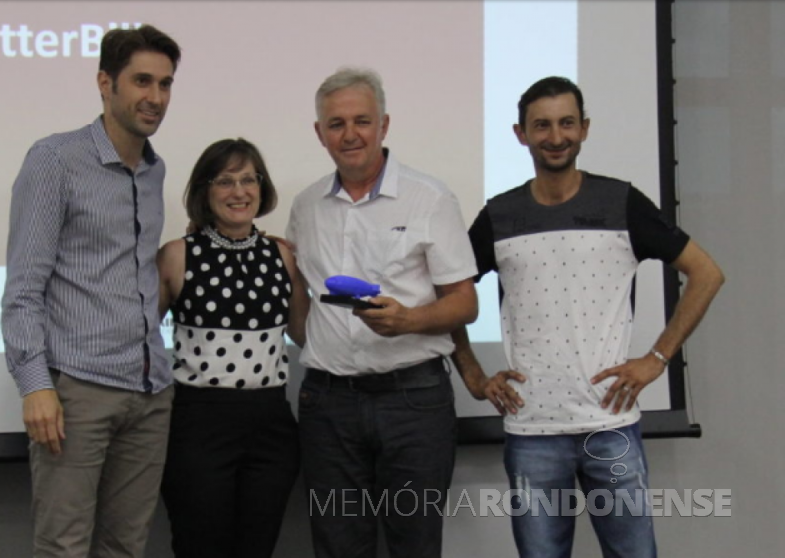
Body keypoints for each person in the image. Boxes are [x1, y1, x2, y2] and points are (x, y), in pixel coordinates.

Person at [451, 76, 725, 557]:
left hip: (611, 426)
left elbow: (707, 274)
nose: (556, 136)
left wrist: (657, 358)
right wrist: (472, 373)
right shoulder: (500, 215)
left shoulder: (621, 202)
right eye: (542, 125)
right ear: (521, 134)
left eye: (566, 123)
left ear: (585, 128)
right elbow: (448, 294)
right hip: (531, 432)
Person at [0, 25, 181, 558]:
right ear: (106, 83)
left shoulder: (154, 171)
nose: (155, 97)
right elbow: (23, 288)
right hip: (77, 392)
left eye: (165, 84)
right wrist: (35, 385)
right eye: (142, 81)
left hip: (149, 392)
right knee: (65, 547)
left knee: (125, 546)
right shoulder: (55, 160)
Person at [286, 67, 479, 558]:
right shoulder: (306, 207)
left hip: (412, 403)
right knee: (337, 548)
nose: (350, 134)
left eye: (362, 121)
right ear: (319, 133)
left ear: (384, 125)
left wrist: (409, 321)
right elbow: (302, 304)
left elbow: (466, 303)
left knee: (415, 547)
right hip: (328, 406)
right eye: (336, 124)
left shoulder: (429, 198)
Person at [155, 138, 308, 558]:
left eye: (248, 179)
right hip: (199, 427)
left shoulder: (283, 256)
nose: (239, 191)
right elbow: (138, 338)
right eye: (225, 181)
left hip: (271, 426)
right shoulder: (177, 256)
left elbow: (305, 334)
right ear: (204, 191)